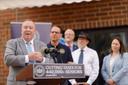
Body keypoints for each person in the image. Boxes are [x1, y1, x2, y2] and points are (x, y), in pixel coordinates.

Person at [4, 20, 53, 85]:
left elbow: (51, 62)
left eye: (30, 28)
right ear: (21, 30)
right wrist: (27, 58)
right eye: (25, 27)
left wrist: (42, 59)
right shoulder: (12, 43)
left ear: (34, 31)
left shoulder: (42, 45)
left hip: (37, 82)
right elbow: (8, 59)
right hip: (17, 82)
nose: (28, 29)